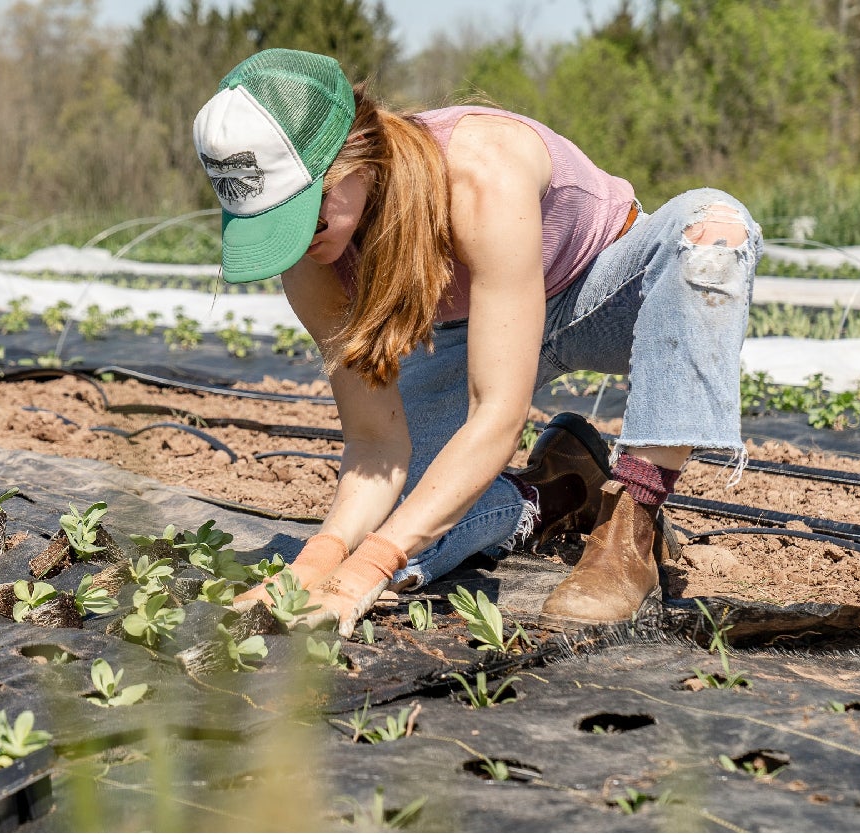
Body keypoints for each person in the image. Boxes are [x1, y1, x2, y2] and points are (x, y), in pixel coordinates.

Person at [193, 49, 761, 637]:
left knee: (714, 232)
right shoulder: (310, 259)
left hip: (601, 295)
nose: (297, 244)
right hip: (473, 331)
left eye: (303, 217)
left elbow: (497, 415)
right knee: (405, 525)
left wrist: (370, 565)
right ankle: (554, 490)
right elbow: (375, 444)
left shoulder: (478, 172)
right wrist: (320, 562)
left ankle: (633, 521)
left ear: (354, 158)